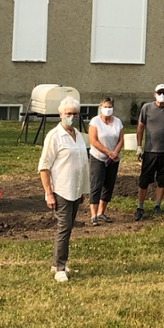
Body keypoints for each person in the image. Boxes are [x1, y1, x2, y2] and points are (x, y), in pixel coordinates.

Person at [38, 97, 90, 283]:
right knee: (63, 228)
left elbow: (82, 163)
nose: (71, 117)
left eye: (74, 114)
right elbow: (44, 166)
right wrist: (49, 193)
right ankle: (59, 267)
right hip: (61, 190)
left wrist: (83, 189)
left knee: (68, 228)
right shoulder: (54, 136)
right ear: (60, 114)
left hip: (76, 189)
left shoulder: (78, 135)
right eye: (68, 114)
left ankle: (57, 262)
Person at [135, 84, 164, 221]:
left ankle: (157, 205)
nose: (162, 95)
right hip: (150, 151)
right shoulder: (147, 108)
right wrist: (139, 146)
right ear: (154, 94)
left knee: (162, 180)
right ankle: (140, 207)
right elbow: (140, 127)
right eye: (160, 92)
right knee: (144, 180)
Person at [88, 97, 124, 226]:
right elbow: (93, 141)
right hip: (98, 157)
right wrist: (108, 152)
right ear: (100, 108)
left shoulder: (118, 122)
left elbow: (121, 140)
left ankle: (101, 212)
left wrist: (114, 153)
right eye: (105, 107)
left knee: (109, 185)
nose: (107, 109)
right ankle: (93, 215)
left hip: (113, 159)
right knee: (96, 184)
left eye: (110, 107)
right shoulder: (95, 122)